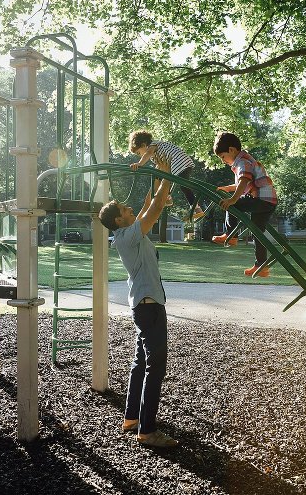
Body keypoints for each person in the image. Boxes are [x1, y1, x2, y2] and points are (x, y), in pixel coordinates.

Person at [97, 158, 179, 448]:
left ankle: (131, 418)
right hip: (149, 307)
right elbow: (155, 208)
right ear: (119, 220)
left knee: (140, 362)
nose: (132, 209)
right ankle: (147, 431)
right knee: (155, 367)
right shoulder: (127, 236)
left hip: (144, 306)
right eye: (126, 209)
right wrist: (167, 176)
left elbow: (148, 205)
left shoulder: (129, 232)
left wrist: (154, 177)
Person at [212, 132, 278, 277]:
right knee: (257, 233)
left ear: (231, 150)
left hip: (261, 199)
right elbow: (244, 182)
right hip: (267, 201)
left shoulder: (242, 162)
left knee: (232, 205)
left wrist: (232, 199)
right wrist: (228, 188)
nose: (223, 161)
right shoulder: (245, 161)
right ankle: (262, 266)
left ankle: (231, 234)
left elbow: (243, 181)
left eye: (222, 157)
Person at [128, 129, 205, 221]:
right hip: (179, 164)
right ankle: (169, 198)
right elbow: (160, 167)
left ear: (144, 145)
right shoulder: (156, 153)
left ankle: (197, 209)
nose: (140, 156)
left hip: (180, 163)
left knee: (184, 186)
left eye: (139, 153)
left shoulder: (153, 145)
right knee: (173, 182)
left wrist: (140, 164)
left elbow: (148, 154)